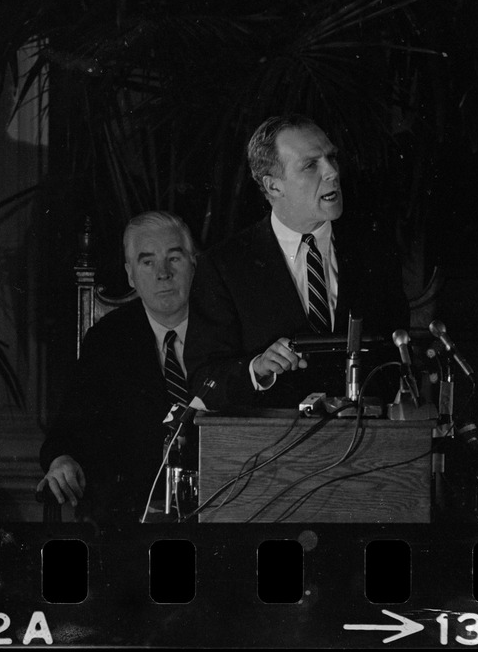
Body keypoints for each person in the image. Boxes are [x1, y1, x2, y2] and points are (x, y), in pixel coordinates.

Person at [185, 114, 409, 411]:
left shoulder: (374, 252)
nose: (331, 173)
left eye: (331, 158)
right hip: (268, 450)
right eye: (310, 165)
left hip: (367, 448)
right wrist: (257, 369)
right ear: (274, 186)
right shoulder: (224, 265)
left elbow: (397, 358)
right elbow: (204, 378)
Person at [37, 211, 199, 522]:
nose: (162, 273)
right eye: (147, 262)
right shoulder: (108, 339)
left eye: (174, 258)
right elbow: (66, 431)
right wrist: (62, 460)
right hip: (133, 515)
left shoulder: (228, 328)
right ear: (130, 274)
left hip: (220, 504)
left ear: (194, 262)